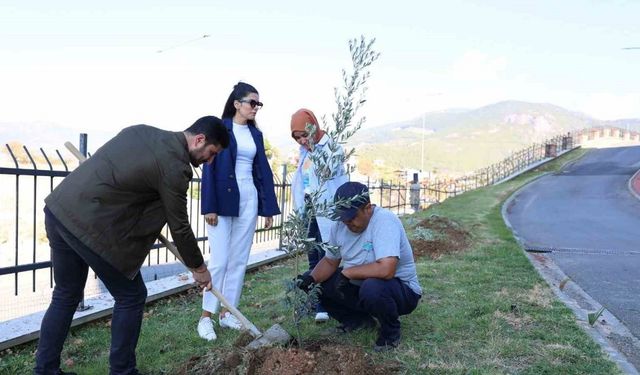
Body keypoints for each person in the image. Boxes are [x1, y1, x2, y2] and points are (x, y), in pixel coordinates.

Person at [35, 116, 230, 375]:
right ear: (199, 139)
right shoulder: (176, 166)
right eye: (211, 153)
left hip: (60, 211)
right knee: (131, 295)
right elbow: (179, 225)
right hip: (89, 225)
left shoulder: (142, 131)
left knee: (66, 294)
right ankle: (123, 371)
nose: (210, 160)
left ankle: (45, 370)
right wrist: (199, 267)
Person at [197, 82, 280, 341]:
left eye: (259, 104)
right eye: (252, 103)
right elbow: (208, 166)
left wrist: (267, 209)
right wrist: (209, 205)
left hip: (249, 198)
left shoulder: (256, 135)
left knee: (239, 260)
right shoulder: (221, 128)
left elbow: (262, 172)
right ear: (237, 104)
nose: (256, 108)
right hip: (222, 200)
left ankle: (228, 312)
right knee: (220, 259)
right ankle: (206, 317)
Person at [296, 182, 422, 352]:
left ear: (368, 208)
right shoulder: (340, 226)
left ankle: (390, 333)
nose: (348, 222)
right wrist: (310, 279)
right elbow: (330, 262)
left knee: (373, 287)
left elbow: (386, 270)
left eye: (352, 216)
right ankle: (358, 321)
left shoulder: (384, 221)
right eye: (343, 217)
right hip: (362, 285)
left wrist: (348, 272)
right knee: (319, 283)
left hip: (401, 291)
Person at [290, 108, 348, 322]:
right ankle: (317, 303)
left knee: (328, 256)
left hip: (325, 211)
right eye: (298, 138)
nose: (302, 141)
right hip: (309, 211)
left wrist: (314, 148)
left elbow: (328, 174)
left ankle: (329, 302)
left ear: (313, 127)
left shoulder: (332, 148)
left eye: (304, 135)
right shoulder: (306, 152)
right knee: (313, 256)